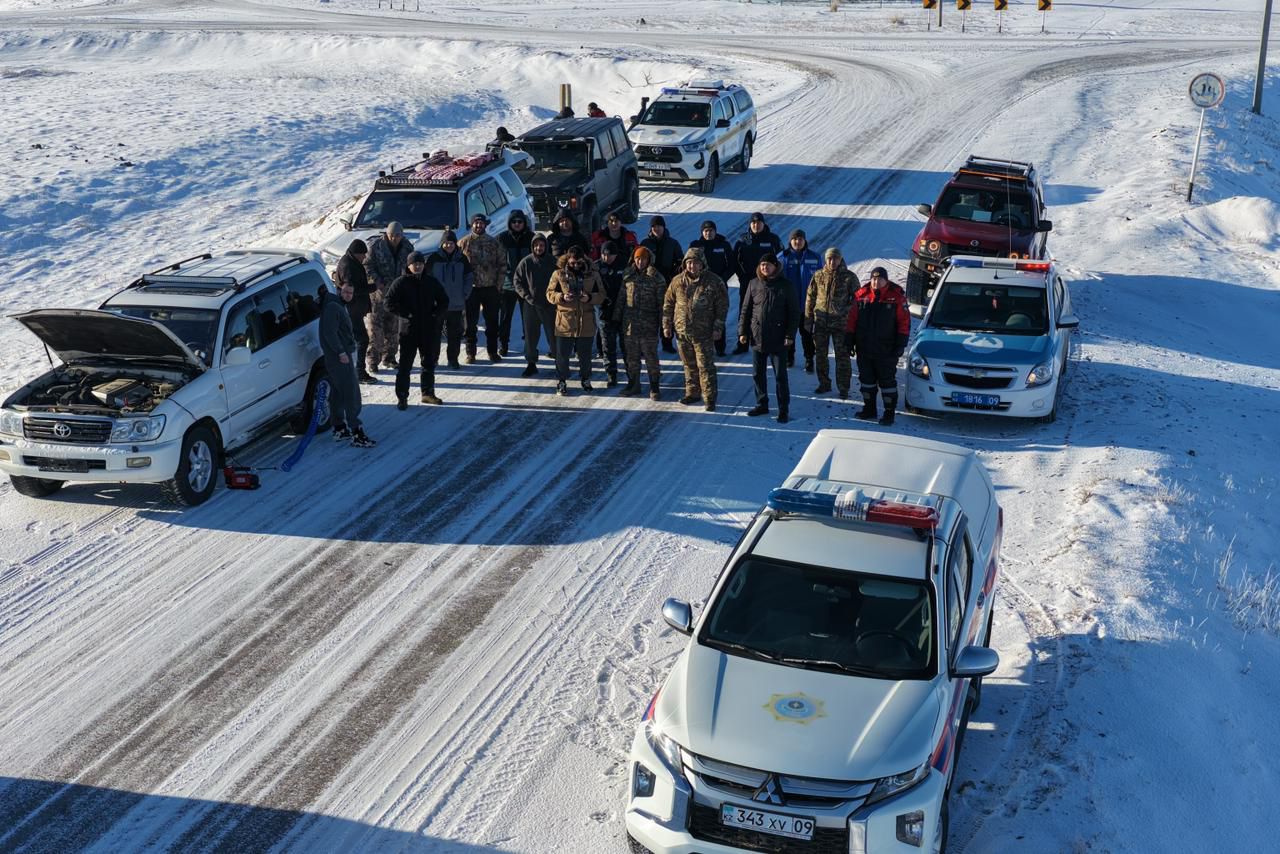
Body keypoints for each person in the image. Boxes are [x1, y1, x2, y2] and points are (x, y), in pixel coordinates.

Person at [662, 247, 728, 412]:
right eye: (689, 263)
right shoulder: (677, 281)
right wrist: (666, 325)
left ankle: (710, 398)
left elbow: (722, 306)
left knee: (705, 367)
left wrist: (718, 327)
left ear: (702, 264)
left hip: (704, 333)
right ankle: (693, 393)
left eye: (695, 263)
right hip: (682, 332)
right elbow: (668, 303)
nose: (692, 266)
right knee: (688, 365)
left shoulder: (713, 281)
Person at [846, 266, 910, 426]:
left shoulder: (897, 298)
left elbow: (904, 322)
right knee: (867, 381)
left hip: (886, 350)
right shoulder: (861, 296)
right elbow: (851, 320)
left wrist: (901, 343)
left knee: (887, 383)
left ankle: (889, 413)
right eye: (873, 278)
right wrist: (849, 340)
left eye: (879, 279)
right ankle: (869, 409)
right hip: (864, 348)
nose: (876, 281)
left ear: (885, 280)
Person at [739, 253, 799, 423]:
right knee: (758, 374)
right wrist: (742, 332)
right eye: (762, 264)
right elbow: (746, 310)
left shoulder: (786, 285)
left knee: (780, 376)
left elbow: (794, 313)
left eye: (768, 265)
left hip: (778, 339)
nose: (765, 267)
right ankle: (761, 404)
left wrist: (790, 335)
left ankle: (783, 409)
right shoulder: (753, 284)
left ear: (775, 266)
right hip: (757, 337)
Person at [386, 251, 450, 408]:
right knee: (405, 365)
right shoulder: (400, 282)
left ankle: (427, 393)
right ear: (409, 266)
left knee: (428, 363)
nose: (418, 266)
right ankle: (402, 397)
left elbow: (444, 300)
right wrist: (405, 314)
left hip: (428, 329)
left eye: (420, 263)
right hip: (408, 330)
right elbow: (388, 303)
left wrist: (435, 314)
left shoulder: (431, 282)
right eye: (415, 264)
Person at [319, 281, 375, 447]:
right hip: (339, 358)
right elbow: (329, 333)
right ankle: (357, 432)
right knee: (351, 393)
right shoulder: (333, 307)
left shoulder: (336, 305)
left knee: (337, 392)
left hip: (338, 356)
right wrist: (341, 352)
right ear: (338, 290)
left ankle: (339, 428)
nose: (348, 296)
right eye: (345, 292)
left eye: (350, 293)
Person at [546, 246, 605, 395]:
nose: (576, 266)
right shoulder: (558, 274)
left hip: (586, 319)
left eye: (579, 263)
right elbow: (549, 293)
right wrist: (561, 297)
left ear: (584, 260)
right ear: (567, 260)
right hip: (565, 320)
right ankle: (561, 381)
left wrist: (590, 298)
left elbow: (602, 294)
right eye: (573, 263)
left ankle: (585, 378)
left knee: (585, 355)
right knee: (562, 355)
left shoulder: (593, 274)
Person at [805, 247, 859, 398]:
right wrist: (808, 319)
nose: (832, 261)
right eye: (829, 258)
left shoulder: (849, 277)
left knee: (842, 357)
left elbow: (858, 300)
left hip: (841, 325)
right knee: (821, 355)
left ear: (840, 259)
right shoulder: (818, 276)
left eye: (835, 258)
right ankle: (824, 383)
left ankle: (843, 388)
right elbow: (810, 296)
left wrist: (846, 312)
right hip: (821, 323)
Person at [363, 222, 415, 373]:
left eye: (397, 235)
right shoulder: (375, 246)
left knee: (393, 329)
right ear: (386, 234)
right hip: (378, 296)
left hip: (396, 295)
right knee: (375, 330)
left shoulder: (407, 247)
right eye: (391, 235)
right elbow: (367, 265)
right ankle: (373, 361)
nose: (394, 238)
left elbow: (411, 266)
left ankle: (390, 357)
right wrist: (377, 280)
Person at [615, 246, 664, 400]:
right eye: (637, 258)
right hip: (630, 324)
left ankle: (654, 386)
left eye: (643, 259)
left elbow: (662, 303)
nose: (640, 262)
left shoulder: (656, 278)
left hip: (649, 324)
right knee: (632, 357)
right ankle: (633, 383)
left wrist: (664, 323)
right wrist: (616, 318)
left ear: (649, 260)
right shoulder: (628, 275)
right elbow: (621, 298)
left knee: (651, 356)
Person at [731, 212, 784, 355]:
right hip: (748, 282)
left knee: (767, 312)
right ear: (750, 224)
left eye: (759, 222)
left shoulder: (773, 239)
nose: (756, 225)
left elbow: (781, 260)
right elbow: (734, 260)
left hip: (767, 283)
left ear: (763, 224)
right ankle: (742, 342)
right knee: (745, 310)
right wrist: (742, 276)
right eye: (753, 223)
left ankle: (766, 342)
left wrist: (774, 277)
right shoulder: (742, 240)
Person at [458, 213, 506, 362]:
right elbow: (457, 266)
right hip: (472, 289)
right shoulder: (463, 243)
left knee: (492, 322)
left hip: (490, 288)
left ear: (485, 225)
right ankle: (470, 353)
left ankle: (492, 351)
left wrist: (498, 285)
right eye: (476, 223)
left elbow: (502, 264)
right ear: (472, 225)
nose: (478, 226)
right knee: (470, 324)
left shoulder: (494, 243)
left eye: (481, 223)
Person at [425, 230, 472, 369]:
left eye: (451, 243)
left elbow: (469, 278)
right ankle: (433, 359)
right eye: (446, 243)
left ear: (455, 244)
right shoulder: (433, 259)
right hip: (438, 304)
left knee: (454, 335)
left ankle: (453, 359)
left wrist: (464, 294)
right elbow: (427, 279)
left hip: (456, 304)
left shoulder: (462, 259)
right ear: (441, 244)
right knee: (435, 334)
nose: (448, 246)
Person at [333, 239, 377, 384]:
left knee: (354, 341)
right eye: (362, 254)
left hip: (353, 309)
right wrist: (373, 287)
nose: (364, 257)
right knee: (361, 340)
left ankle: (354, 371)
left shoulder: (350, 262)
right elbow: (352, 289)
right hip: (351, 310)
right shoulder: (348, 266)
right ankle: (359, 372)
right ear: (356, 253)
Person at [513, 233, 557, 377]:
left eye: (542, 245)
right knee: (530, 336)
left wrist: (556, 297)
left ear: (546, 246)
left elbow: (561, 281)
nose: (539, 248)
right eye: (536, 245)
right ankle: (531, 363)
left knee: (553, 335)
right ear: (532, 247)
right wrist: (526, 296)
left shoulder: (553, 262)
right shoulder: (526, 262)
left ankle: (559, 363)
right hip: (531, 304)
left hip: (550, 305)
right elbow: (517, 281)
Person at [688, 220, 735, 355]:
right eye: (706, 231)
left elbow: (731, 264)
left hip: (719, 285)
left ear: (715, 231)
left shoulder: (723, 244)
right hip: (700, 285)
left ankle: (720, 347)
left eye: (711, 231)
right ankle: (702, 347)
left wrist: (722, 278)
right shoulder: (696, 246)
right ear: (702, 232)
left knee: (719, 314)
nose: (709, 233)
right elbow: (688, 264)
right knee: (700, 315)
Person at [780, 228, 822, 372]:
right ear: (790, 241)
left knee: (807, 334)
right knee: (788, 332)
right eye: (795, 239)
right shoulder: (783, 258)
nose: (797, 242)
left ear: (805, 241)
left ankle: (809, 359)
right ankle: (789, 357)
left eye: (800, 239)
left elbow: (821, 280)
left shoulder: (815, 257)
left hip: (808, 305)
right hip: (788, 304)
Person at [640, 215, 683, 352]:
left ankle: (667, 343)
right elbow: (638, 262)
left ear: (664, 227)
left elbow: (680, 262)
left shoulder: (672, 243)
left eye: (659, 226)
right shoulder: (645, 243)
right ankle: (648, 345)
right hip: (649, 284)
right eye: (654, 226)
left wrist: (674, 274)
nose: (656, 229)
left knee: (667, 313)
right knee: (648, 316)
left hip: (667, 283)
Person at [498, 210, 534, 357]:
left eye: (520, 221)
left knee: (528, 318)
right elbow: (497, 261)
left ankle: (530, 345)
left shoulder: (531, 238)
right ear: (510, 223)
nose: (517, 224)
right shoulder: (502, 238)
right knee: (506, 317)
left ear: (524, 223)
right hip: (508, 284)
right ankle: (504, 345)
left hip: (527, 285)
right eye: (514, 222)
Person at [596, 241, 628, 387]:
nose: (606, 257)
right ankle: (611, 374)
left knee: (626, 345)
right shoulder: (596, 267)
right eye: (603, 254)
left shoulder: (625, 266)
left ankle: (631, 373)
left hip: (623, 311)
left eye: (609, 255)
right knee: (608, 346)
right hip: (605, 312)